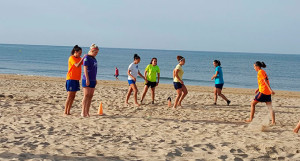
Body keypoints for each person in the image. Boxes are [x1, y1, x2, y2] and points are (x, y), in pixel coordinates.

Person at [64, 45, 86, 115]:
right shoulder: (71, 58)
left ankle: (69, 111)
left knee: (73, 96)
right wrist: (82, 58)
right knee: (69, 96)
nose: (80, 55)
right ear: (75, 52)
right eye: (79, 53)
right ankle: (65, 111)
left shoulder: (79, 58)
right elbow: (77, 65)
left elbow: (84, 63)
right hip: (71, 78)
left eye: (81, 53)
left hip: (76, 79)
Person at [81, 44, 99, 117]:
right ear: (92, 51)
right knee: (86, 95)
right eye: (95, 52)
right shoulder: (86, 57)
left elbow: (94, 70)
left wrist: (95, 79)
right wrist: (87, 79)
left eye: (97, 52)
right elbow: (85, 69)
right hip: (86, 79)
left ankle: (87, 112)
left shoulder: (94, 59)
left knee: (90, 96)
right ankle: (83, 112)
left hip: (93, 79)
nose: (96, 54)